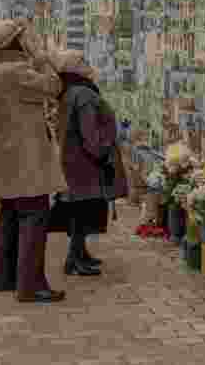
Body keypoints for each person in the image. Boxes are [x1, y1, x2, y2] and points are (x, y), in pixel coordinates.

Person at [0, 19, 68, 303]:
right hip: (26, 162)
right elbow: (54, 86)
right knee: (34, 218)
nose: (27, 41)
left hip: (4, 159)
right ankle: (31, 285)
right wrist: (41, 58)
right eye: (23, 38)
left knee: (8, 215)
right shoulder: (15, 72)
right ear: (14, 44)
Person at [50, 49, 128, 276]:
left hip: (73, 161)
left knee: (79, 210)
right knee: (82, 212)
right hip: (86, 165)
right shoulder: (83, 94)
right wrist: (103, 154)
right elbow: (90, 133)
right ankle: (74, 260)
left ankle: (80, 254)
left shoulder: (68, 92)